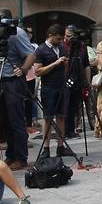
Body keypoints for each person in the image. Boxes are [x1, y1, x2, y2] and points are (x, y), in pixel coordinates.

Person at [0, 8, 34, 170]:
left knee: (16, 120)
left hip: (13, 81)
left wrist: (23, 69)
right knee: (2, 120)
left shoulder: (17, 33)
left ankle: (21, 157)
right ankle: (11, 155)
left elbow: (31, 55)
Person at [32, 24, 72, 154]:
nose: (60, 41)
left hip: (61, 86)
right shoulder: (41, 50)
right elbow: (37, 71)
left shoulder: (61, 48)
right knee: (48, 118)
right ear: (50, 36)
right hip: (48, 87)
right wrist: (55, 63)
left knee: (61, 116)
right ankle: (46, 148)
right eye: (58, 38)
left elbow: (66, 67)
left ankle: (61, 147)